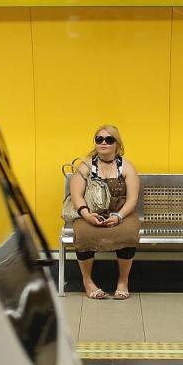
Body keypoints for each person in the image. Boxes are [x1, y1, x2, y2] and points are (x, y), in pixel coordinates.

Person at [67, 124, 141, 300]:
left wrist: (118, 216)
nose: (103, 143)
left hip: (121, 213)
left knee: (128, 232)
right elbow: (76, 194)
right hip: (90, 213)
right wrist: (86, 215)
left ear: (117, 144)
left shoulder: (126, 167)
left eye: (109, 139)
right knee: (83, 233)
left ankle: (123, 281)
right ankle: (87, 281)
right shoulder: (86, 166)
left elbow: (132, 199)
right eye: (99, 139)